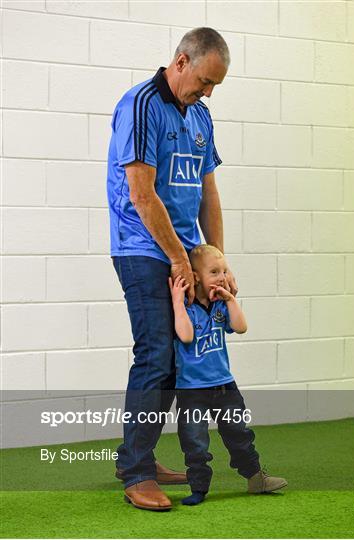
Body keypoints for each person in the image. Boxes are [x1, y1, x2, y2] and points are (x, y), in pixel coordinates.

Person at [107, 27, 237, 511]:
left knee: (176, 361)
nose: (208, 92)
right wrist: (182, 261)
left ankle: (134, 457)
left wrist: (216, 266)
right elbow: (142, 194)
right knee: (157, 353)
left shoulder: (201, 115)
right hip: (141, 247)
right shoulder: (139, 104)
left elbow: (209, 192)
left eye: (215, 86)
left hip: (185, 253)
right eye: (204, 80)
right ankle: (138, 473)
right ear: (181, 61)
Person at [169, 244, 288, 505]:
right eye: (214, 272)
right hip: (192, 390)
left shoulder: (221, 307)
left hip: (225, 386)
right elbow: (186, 335)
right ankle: (198, 487)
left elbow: (241, 327)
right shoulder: (187, 308)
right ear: (196, 276)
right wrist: (178, 302)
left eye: (224, 271)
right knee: (195, 441)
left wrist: (231, 299)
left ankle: (256, 478)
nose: (222, 276)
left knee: (239, 432)